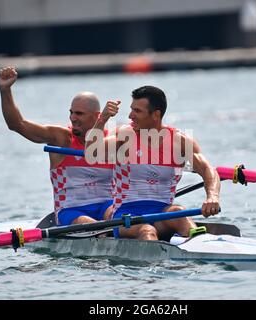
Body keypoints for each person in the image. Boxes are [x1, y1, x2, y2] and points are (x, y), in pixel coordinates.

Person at [85, 85, 221, 240]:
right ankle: (156, 259)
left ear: (156, 114)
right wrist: (102, 120)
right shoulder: (125, 136)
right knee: (147, 231)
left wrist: (212, 196)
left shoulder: (179, 141)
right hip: (126, 215)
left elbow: (207, 169)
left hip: (161, 212)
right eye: (131, 109)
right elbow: (91, 152)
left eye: (137, 111)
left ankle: (199, 249)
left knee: (179, 213)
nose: (130, 116)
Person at [0, 67, 117, 226]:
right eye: (71, 112)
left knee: (119, 217)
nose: (72, 118)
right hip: (71, 210)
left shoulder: (111, 141)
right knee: (91, 225)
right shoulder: (61, 138)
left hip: (107, 206)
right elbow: (17, 124)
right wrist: (5, 90)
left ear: (97, 116)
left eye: (79, 114)